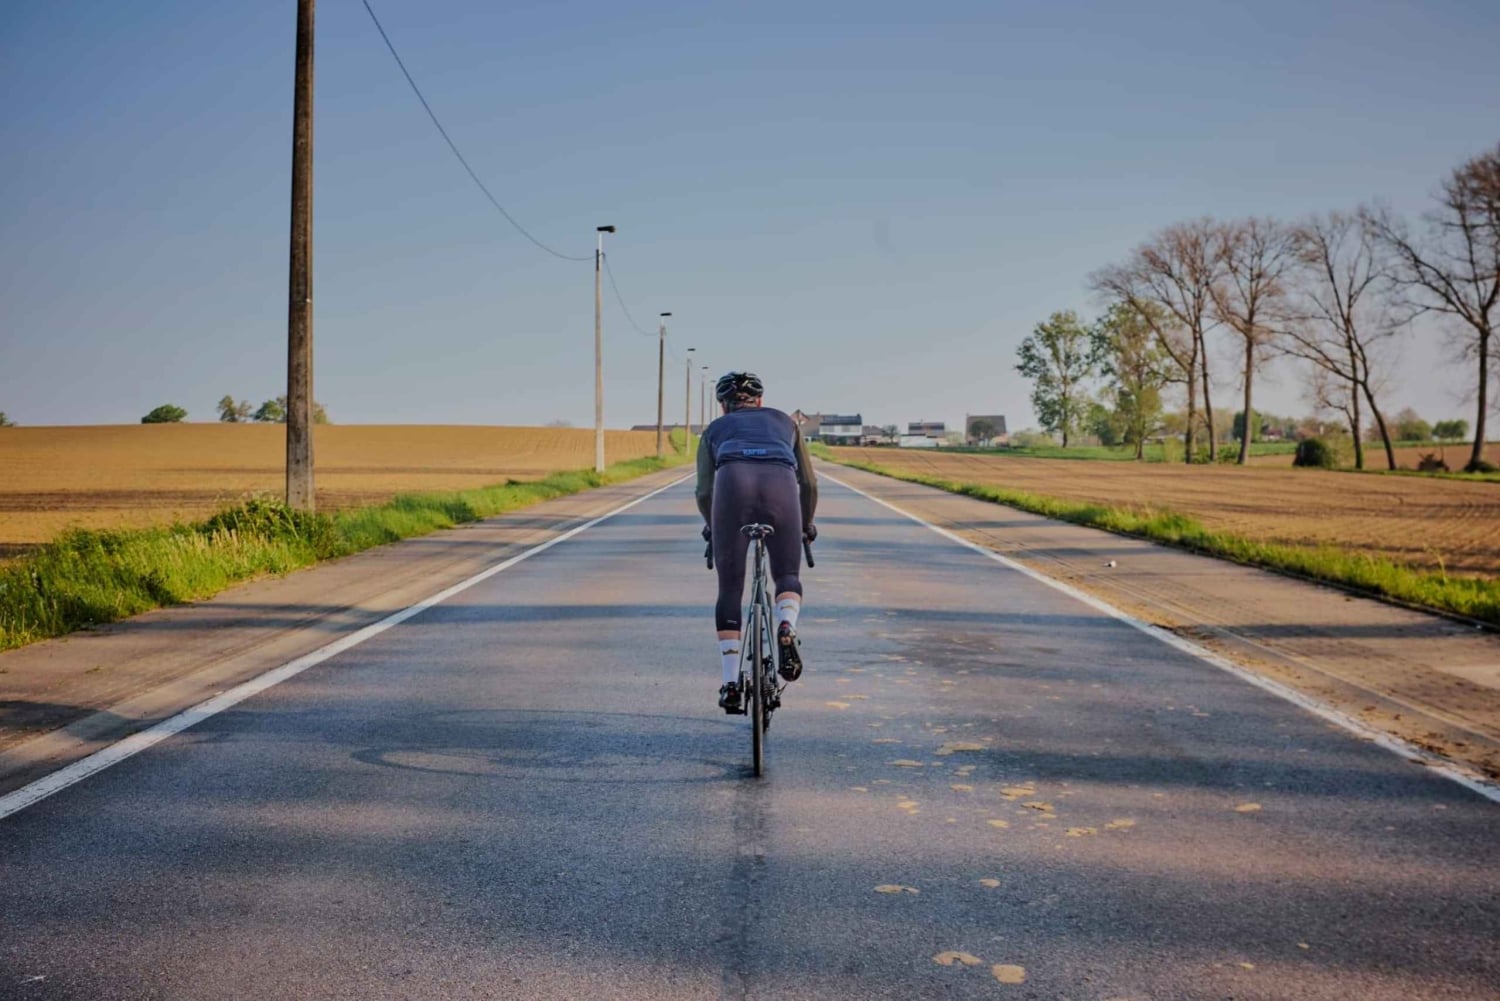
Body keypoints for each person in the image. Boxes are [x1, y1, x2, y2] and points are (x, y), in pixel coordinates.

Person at [695, 372, 818, 714]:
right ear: (760, 402)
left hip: (732, 486)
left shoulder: (714, 431)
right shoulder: (786, 423)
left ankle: (732, 683)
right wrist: (805, 524)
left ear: (723, 406)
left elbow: (704, 491)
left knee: (730, 589)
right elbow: (808, 483)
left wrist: (712, 526)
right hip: (781, 487)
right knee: (788, 576)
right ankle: (786, 625)